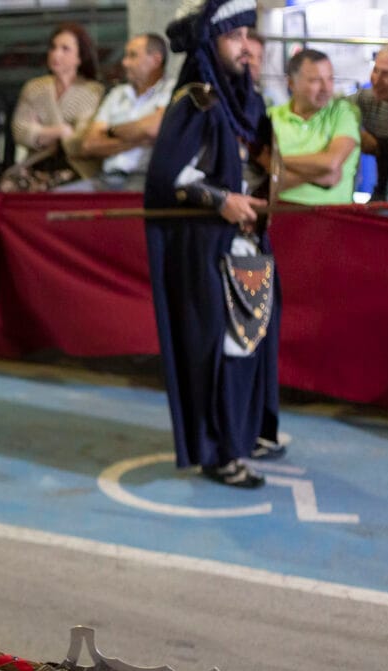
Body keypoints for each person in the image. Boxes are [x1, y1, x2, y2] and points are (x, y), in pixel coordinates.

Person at [145, 0, 282, 489]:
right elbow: (168, 175)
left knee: (250, 344)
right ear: (211, 43)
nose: (247, 46)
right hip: (209, 251)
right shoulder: (197, 100)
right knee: (226, 350)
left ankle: (246, 435)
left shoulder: (247, 100)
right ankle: (221, 451)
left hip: (247, 244)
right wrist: (221, 199)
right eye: (234, 36)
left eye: (250, 34)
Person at [5, 22, 103, 190]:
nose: (56, 54)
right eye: (53, 48)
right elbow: (20, 131)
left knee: (55, 190)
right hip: (36, 162)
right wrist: (62, 130)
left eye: (65, 49)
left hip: (77, 167)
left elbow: (81, 140)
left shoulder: (93, 91)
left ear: (80, 57)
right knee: (7, 187)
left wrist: (40, 131)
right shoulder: (34, 88)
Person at [67, 33, 171, 191]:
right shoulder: (117, 94)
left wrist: (109, 132)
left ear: (156, 60)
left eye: (133, 56)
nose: (125, 63)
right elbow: (89, 145)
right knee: (55, 202)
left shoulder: (172, 91)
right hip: (106, 178)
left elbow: (153, 129)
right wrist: (140, 139)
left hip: (146, 180)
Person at [269, 48, 359, 205]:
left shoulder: (343, 113)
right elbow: (264, 182)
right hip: (278, 215)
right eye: (315, 80)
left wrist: (275, 161)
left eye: (330, 79)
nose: (326, 88)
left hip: (333, 220)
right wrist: (319, 175)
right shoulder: (271, 117)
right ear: (291, 83)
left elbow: (331, 162)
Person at [349, 43, 388, 201]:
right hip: (383, 196)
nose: (376, 81)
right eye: (375, 70)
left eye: (387, 74)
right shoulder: (369, 101)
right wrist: (354, 134)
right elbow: (330, 108)